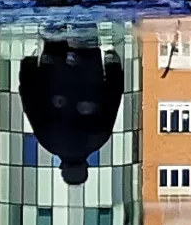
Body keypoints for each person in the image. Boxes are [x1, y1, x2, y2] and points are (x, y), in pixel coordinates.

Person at [18, 39, 126, 186]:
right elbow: (30, 102)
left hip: (89, 71)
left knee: (84, 25)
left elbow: (113, 96)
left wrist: (112, 64)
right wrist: (28, 68)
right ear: (62, 167)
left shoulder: (97, 140)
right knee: (54, 29)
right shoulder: (49, 142)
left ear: (86, 166)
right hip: (52, 72)